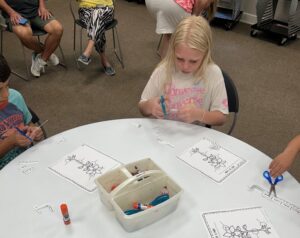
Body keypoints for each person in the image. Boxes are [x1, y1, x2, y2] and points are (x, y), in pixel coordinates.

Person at [139, 15, 228, 126]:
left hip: (194, 136)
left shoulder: (213, 73)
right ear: (173, 50)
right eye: (180, 59)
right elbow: (142, 107)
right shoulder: (164, 69)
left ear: (205, 54)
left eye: (193, 61)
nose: (185, 67)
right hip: (163, 133)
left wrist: (200, 115)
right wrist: (150, 106)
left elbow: (221, 117)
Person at [0, 54, 43, 170]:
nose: (6, 95)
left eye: (8, 86)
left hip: (28, 163)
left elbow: (29, 124)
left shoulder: (15, 97)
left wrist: (34, 132)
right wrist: (10, 142)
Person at [0, 0, 63, 77]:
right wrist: (11, 12)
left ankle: (42, 60)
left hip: (36, 10)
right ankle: (46, 53)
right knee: (24, 34)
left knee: (57, 29)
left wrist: (42, 6)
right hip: (14, 13)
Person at [145, 0, 217, 58]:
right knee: (176, 36)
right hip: (173, 5)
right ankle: (165, 68)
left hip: (152, 2)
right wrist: (193, 18)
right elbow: (201, 1)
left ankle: (162, 53)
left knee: (170, 31)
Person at [77, 0, 115, 76]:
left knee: (97, 15)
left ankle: (88, 49)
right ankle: (104, 59)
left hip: (105, 9)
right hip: (86, 10)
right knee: (97, 22)